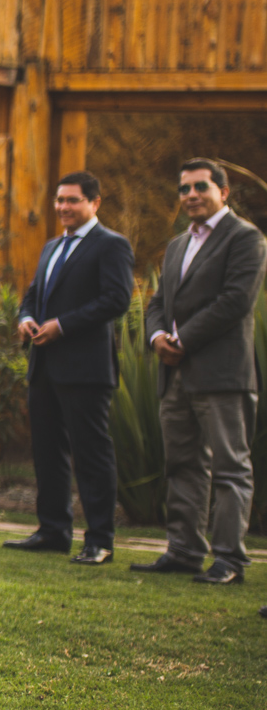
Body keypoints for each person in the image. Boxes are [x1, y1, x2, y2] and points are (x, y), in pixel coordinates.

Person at [134, 159, 267, 584]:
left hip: (221, 375)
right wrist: (156, 337)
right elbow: (157, 303)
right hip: (174, 375)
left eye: (200, 187)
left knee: (230, 469)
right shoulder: (177, 246)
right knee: (182, 466)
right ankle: (185, 551)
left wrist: (183, 340)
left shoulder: (245, 238)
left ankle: (229, 560)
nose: (190, 195)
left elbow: (235, 301)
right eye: (184, 189)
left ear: (223, 192)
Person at [6, 171, 134, 565]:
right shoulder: (51, 246)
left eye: (73, 200)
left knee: (91, 455)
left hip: (85, 368)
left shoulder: (111, 245)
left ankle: (100, 540)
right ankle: (53, 531)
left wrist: (62, 325)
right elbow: (32, 294)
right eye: (60, 200)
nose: (63, 207)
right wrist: (25, 317)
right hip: (43, 365)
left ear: (94, 203)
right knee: (47, 452)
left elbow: (116, 299)